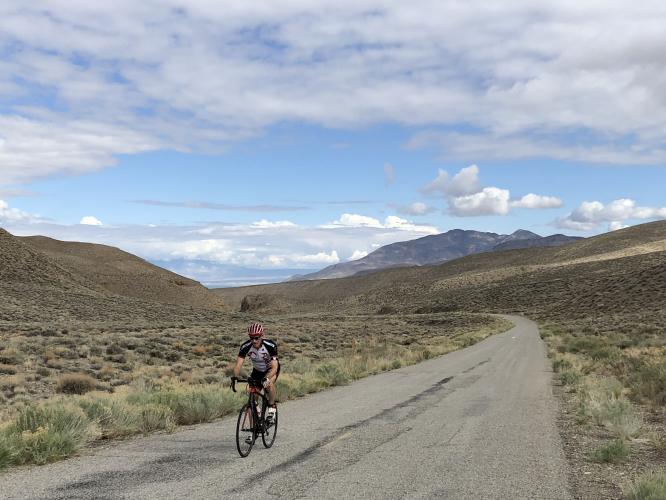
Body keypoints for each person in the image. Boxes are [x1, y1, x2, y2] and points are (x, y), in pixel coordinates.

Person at [232, 322, 280, 423]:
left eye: (257, 338)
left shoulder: (270, 345)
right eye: (251, 338)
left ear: (262, 335)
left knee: (268, 384)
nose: (254, 341)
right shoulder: (245, 346)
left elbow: (275, 367)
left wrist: (267, 378)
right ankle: (253, 428)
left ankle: (272, 407)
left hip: (270, 370)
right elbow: (238, 365)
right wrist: (234, 377)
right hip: (257, 371)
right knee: (252, 399)